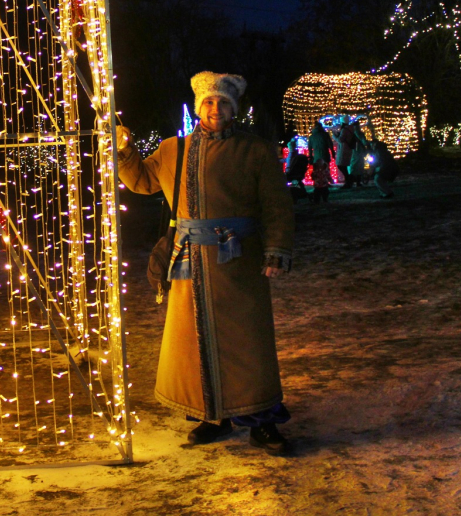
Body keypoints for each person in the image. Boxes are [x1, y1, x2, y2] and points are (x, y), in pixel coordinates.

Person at [115, 72, 297, 455]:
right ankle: (211, 416)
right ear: (199, 108)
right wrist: (124, 151)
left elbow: (277, 207)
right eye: (209, 103)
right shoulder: (171, 150)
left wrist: (276, 251)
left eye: (224, 103)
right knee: (193, 342)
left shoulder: (256, 150)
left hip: (239, 263)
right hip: (188, 263)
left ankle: (261, 421)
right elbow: (142, 182)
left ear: (235, 109)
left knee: (247, 342)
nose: (216, 109)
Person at [309, 121, 334, 204]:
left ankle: (317, 183)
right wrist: (333, 153)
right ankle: (325, 183)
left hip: (316, 156)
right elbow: (330, 144)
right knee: (325, 169)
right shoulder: (325, 134)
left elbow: (309, 148)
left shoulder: (312, 136)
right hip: (324, 154)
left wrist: (310, 157)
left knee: (317, 170)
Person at [335, 119, 356, 188]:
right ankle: (349, 180)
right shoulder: (351, 129)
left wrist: (335, 136)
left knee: (341, 165)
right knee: (344, 166)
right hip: (348, 149)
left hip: (343, 150)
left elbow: (340, 140)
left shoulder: (344, 130)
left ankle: (349, 179)